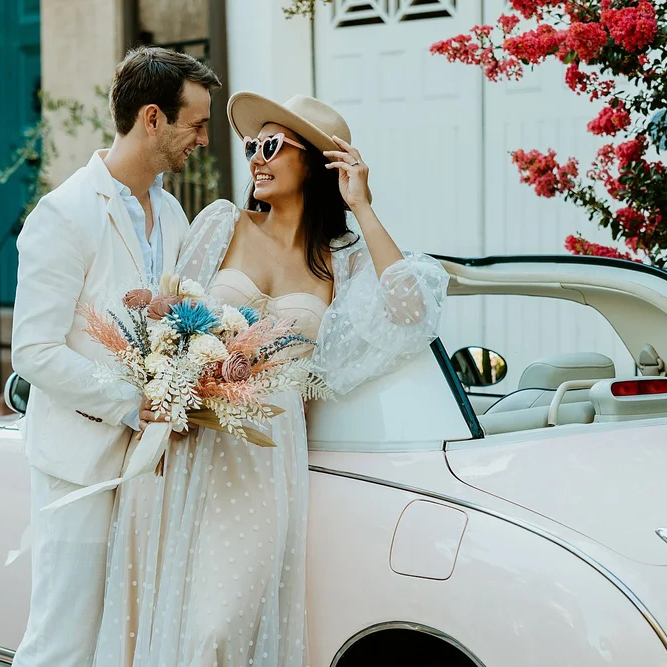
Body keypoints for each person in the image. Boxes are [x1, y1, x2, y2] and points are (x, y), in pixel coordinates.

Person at [94, 93, 449, 666]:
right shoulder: (222, 223)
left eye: (272, 145)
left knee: (218, 626)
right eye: (252, 146)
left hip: (260, 462)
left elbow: (410, 310)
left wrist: (362, 205)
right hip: (183, 447)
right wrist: (171, 389)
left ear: (318, 164)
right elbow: (167, 316)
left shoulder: (342, 257)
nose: (256, 158)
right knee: (163, 621)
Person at [9, 46, 220, 667]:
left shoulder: (175, 215)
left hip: (157, 473)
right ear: (153, 118)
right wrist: (136, 402)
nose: (204, 140)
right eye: (197, 124)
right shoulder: (63, 215)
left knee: (129, 642)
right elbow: (35, 351)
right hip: (81, 464)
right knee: (63, 641)